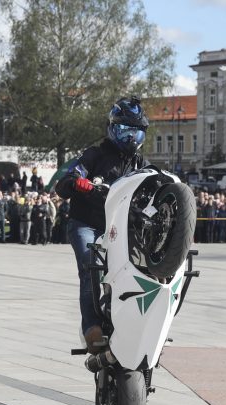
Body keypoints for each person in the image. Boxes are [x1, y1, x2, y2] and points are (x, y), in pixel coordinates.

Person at [56, 96, 150, 353]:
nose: (131, 138)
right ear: (112, 128)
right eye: (125, 130)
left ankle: (135, 323)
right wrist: (77, 181)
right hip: (86, 223)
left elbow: (155, 187)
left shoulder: (140, 164)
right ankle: (92, 328)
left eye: (137, 133)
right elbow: (63, 183)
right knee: (91, 267)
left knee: (139, 270)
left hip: (119, 229)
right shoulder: (94, 155)